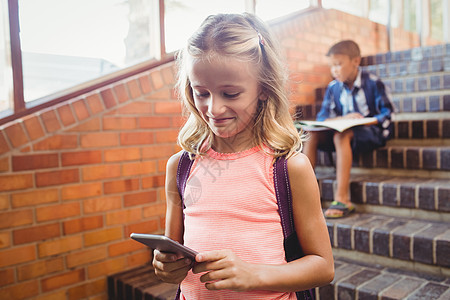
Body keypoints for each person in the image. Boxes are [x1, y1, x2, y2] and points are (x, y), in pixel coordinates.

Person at [152, 13, 334, 299]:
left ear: (263, 88)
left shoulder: (287, 168)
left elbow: (323, 267)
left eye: (231, 94)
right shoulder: (180, 167)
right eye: (201, 93)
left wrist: (253, 273)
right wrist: (166, 267)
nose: (214, 108)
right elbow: (173, 250)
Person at [302, 40, 394, 219]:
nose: (334, 70)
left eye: (338, 64)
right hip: (343, 131)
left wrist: (364, 121)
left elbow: (387, 114)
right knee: (312, 134)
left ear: (356, 61)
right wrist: (343, 119)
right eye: (331, 66)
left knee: (341, 136)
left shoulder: (374, 83)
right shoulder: (333, 87)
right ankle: (305, 198)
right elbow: (322, 117)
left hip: (370, 133)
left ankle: (343, 199)